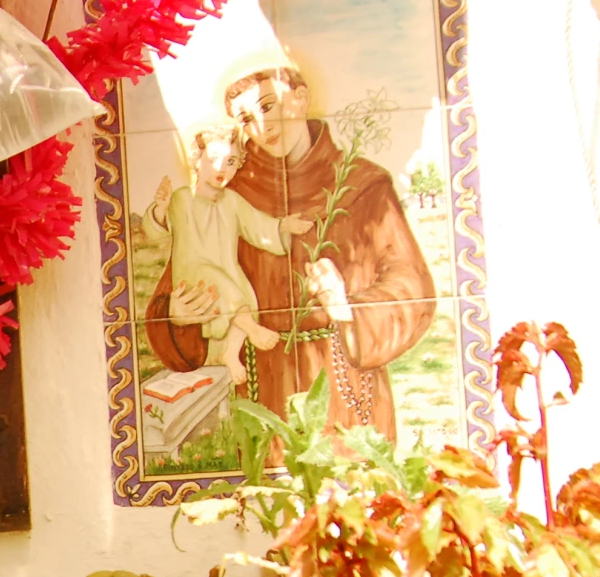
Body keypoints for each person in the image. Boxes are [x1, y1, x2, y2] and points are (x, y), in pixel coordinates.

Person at [146, 64, 436, 436]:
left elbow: (413, 286)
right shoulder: (228, 196)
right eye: (246, 118)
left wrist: (348, 310)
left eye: (268, 107)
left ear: (300, 99)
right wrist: (176, 314)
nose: (260, 126)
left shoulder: (362, 183)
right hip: (261, 389)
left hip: (344, 386)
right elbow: (183, 276)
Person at [149, 124, 316, 378]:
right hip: (194, 272)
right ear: (197, 160)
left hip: (226, 270)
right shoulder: (183, 198)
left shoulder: (233, 202)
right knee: (222, 288)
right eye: (213, 159)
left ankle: (231, 352)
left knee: (245, 295)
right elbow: (158, 230)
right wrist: (160, 208)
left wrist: (283, 226)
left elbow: (257, 226)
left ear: (238, 165)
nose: (221, 168)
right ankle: (254, 330)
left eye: (230, 161)